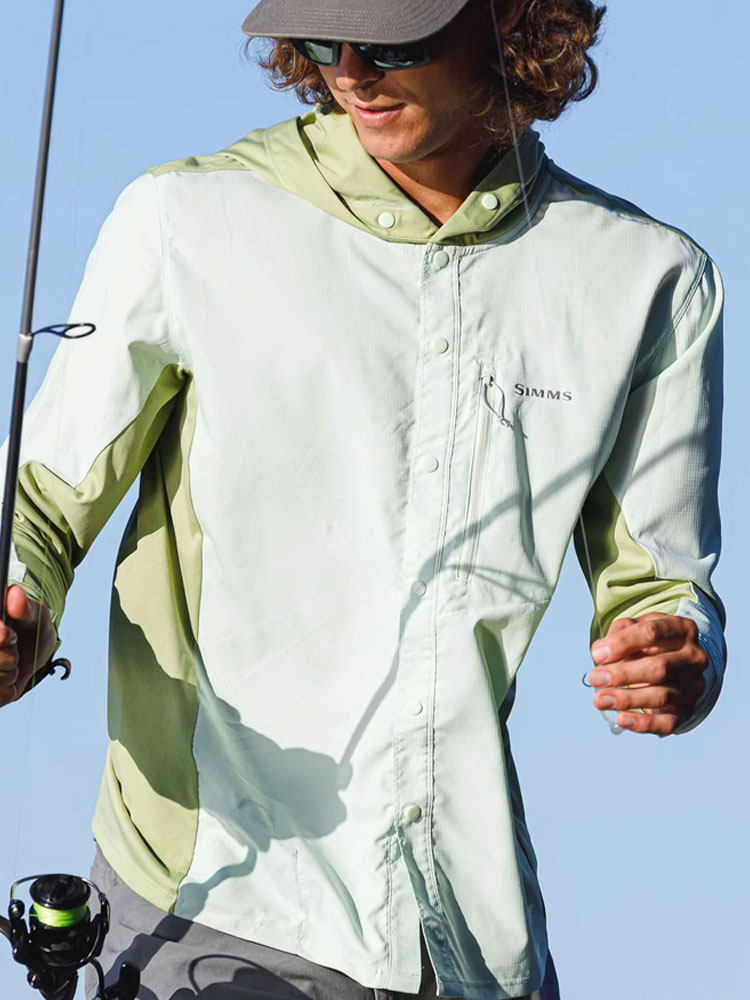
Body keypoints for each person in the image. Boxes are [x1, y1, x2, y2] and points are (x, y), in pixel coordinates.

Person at [0, 1, 725, 998]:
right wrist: (20, 611)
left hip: (477, 948)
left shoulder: (653, 280)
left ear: (514, 22)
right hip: (213, 906)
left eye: (393, 37)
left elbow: (663, 588)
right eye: (321, 35)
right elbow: (38, 508)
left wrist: (679, 655)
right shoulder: (184, 218)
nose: (350, 70)